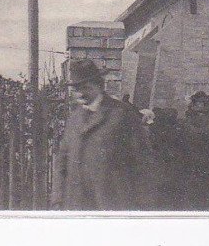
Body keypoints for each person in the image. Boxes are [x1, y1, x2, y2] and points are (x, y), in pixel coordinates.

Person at [51, 59, 156, 210]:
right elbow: (62, 163)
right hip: (76, 207)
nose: (80, 94)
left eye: (85, 87)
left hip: (112, 206)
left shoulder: (122, 114)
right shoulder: (74, 119)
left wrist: (142, 208)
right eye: (76, 89)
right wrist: (57, 199)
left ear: (99, 86)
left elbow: (143, 163)